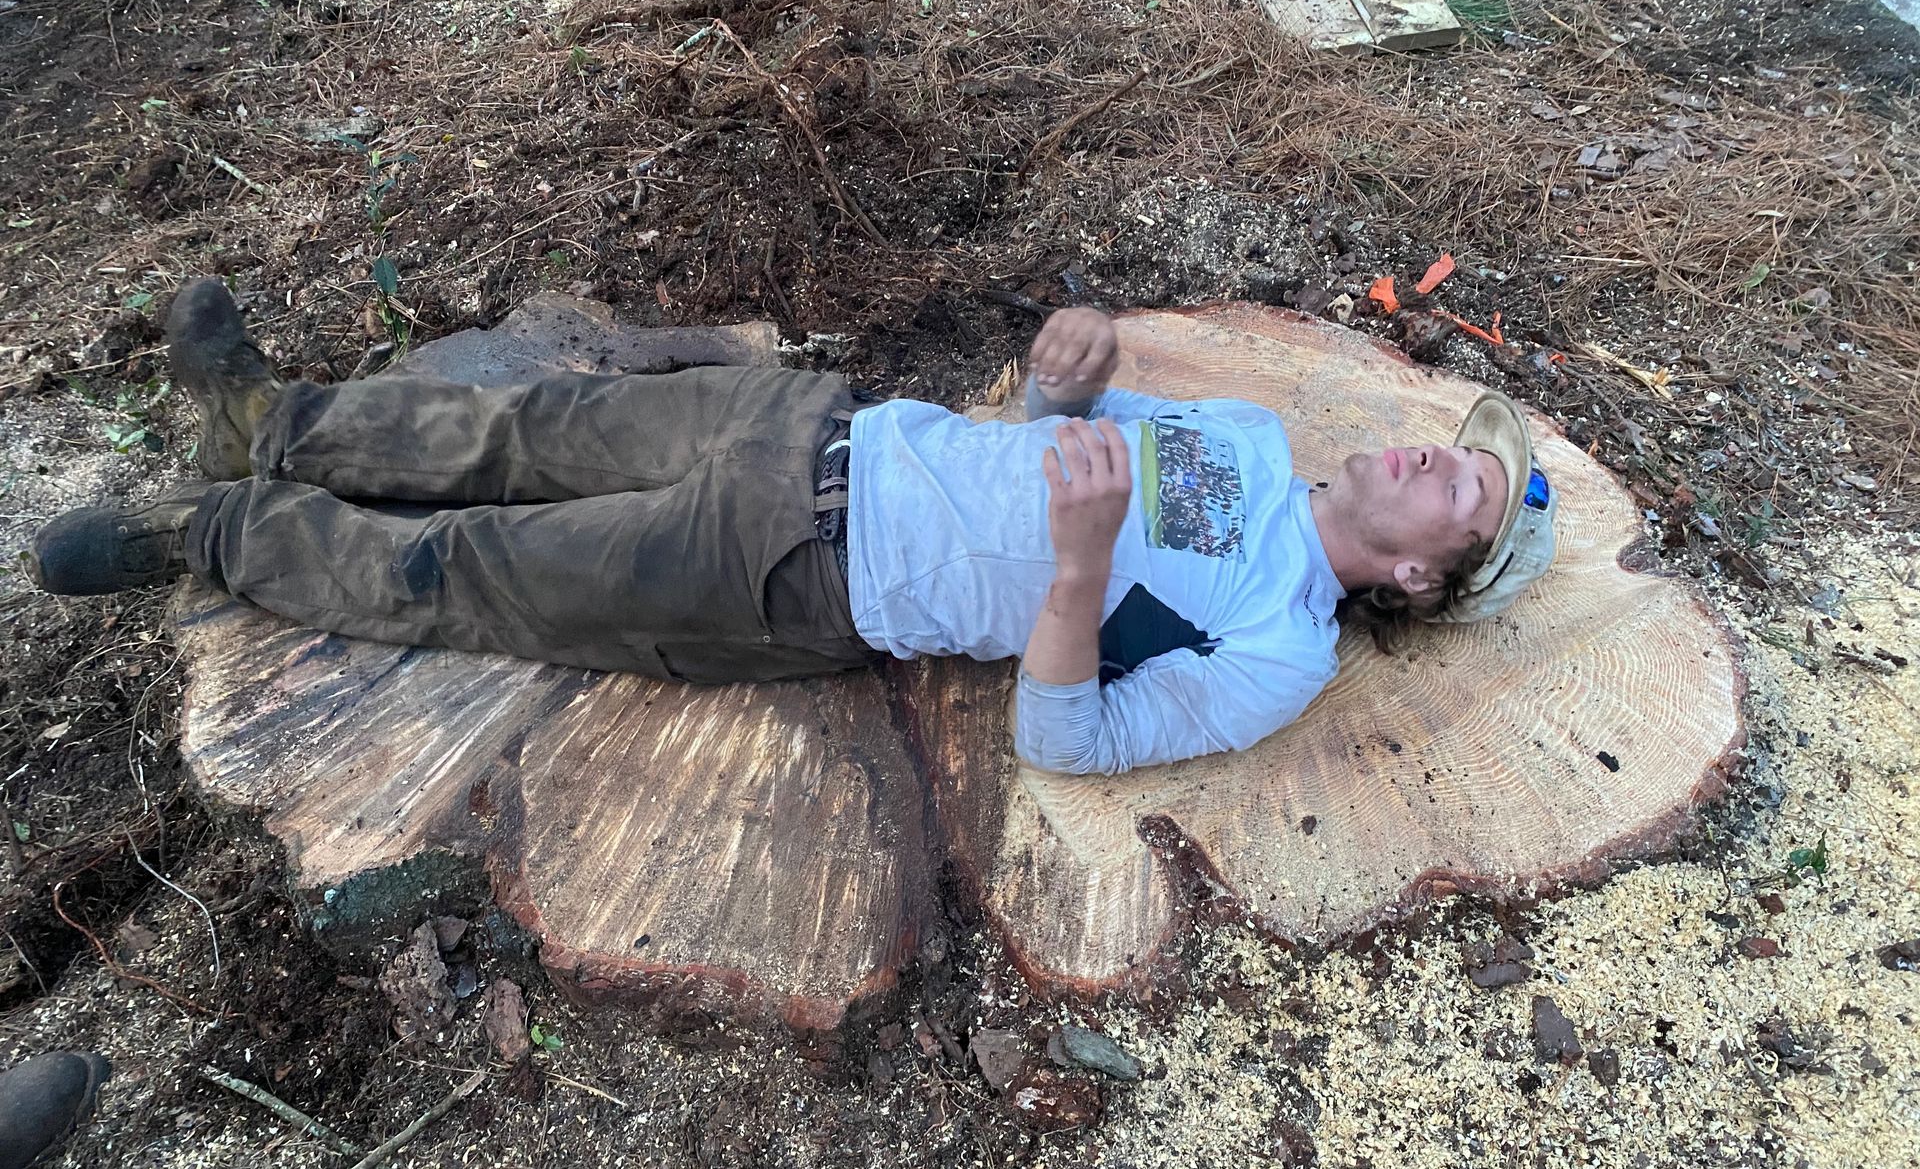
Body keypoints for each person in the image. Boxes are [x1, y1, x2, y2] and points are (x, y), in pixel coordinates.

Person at [27, 280, 1557, 776]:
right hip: (808, 431)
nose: (1437, 453)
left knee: (476, 571)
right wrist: (1066, 373)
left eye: (1462, 489)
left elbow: (1064, 739)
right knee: (520, 427)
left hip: (795, 576)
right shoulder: (1252, 437)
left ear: (1418, 576)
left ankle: (212, 539)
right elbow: (1052, 429)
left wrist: (1086, 568)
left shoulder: (1277, 647)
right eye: (1457, 448)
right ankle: (268, 423)